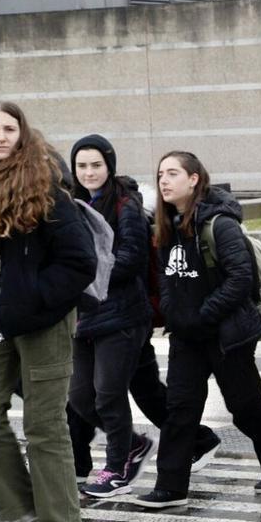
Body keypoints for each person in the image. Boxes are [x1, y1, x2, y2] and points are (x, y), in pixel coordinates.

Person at [134, 151, 261, 509]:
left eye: (173, 173)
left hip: (227, 334)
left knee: (244, 405)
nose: (164, 180)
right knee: (180, 409)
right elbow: (165, 276)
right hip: (187, 336)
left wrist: (203, 313)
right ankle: (171, 486)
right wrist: (175, 313)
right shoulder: (166, 225)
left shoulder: (220, 224)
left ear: (194, 179)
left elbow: (241, 279)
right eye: (160, 174)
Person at [0, 101, 96, 522]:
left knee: (43, 423)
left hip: (43, 320)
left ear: (22, 134)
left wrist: (36, 300)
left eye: (9, 128)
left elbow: (79, 261)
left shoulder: (44, 186)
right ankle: (21, 514)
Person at [66, 134, 157, 499]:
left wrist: (82, 274)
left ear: (110, 166)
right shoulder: (70, 204)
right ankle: (133, 445)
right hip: (84, 316)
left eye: (96, 165)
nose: (89, 172)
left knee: (108, 394)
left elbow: (131, 259)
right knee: (80, 398)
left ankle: (117, 466)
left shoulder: (125, 205)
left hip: (122, 316)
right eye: (82, 166)